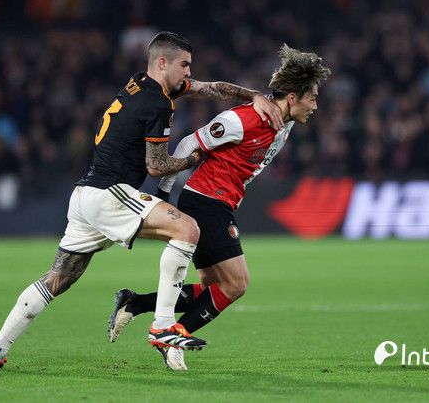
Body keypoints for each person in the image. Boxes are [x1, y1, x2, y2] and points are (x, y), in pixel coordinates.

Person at [0, 31, 283, 369]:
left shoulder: (139, 84)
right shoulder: (158, 104)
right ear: (162, 63)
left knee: (57, 278)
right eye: (184, 65)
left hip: (84, 195)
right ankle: (163, 326)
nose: (189, 73)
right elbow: (156, 166)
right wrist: (192, 160)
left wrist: (254, 95)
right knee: (188, 230)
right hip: (111, 193)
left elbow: (211, 89)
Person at [107, 44, 330, 370]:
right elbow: (188, 143)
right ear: (293, 98)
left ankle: (136, 302)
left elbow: (275, 103)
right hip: (206, 201)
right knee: (237, 283)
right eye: (312, 98)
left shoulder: (284, 120)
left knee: (212, 288)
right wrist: (165, 193)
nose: (315, 106)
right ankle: (172, 336)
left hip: (220, 202)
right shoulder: (244, 120)